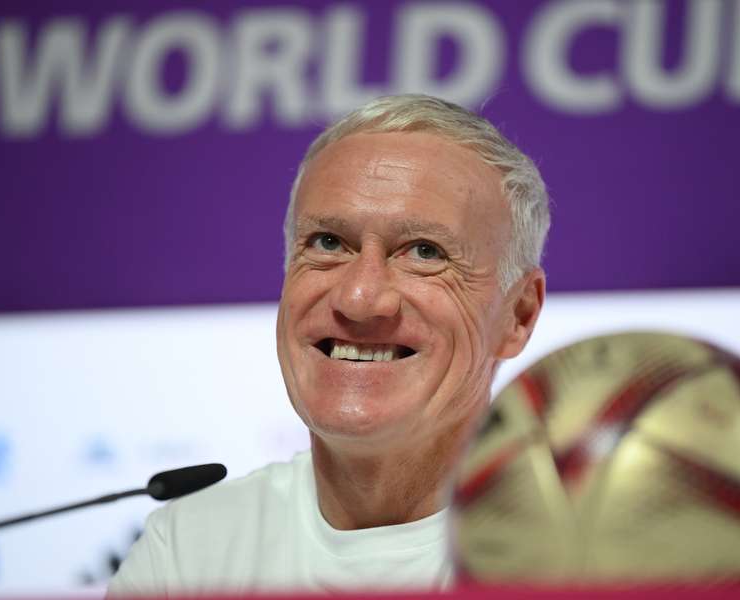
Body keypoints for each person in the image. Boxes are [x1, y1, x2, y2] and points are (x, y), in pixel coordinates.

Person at [107, 94, 549, 595]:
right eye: (327, 243)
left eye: (425, 252)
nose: (359, 298)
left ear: (519, 315)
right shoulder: (189, 551)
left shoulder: (598, 553)